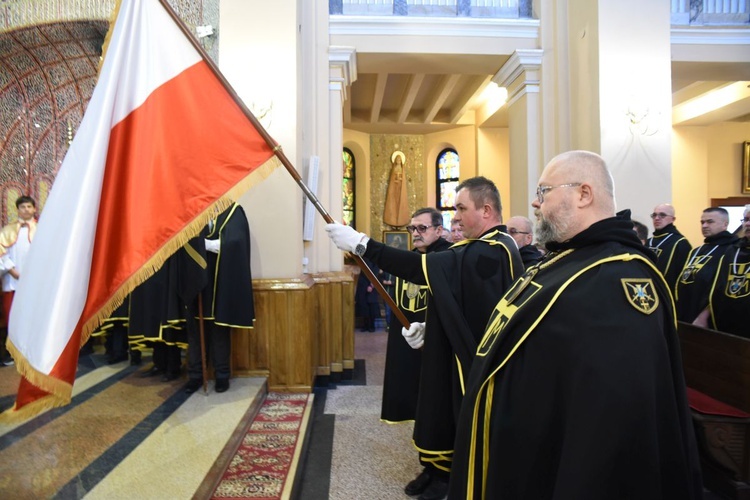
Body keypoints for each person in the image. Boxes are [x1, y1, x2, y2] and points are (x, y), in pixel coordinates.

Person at [449, 151, 702, 499]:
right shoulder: (565, 262)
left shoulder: (619, 277)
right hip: (526, 455)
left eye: (544, 192)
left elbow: (612, 425)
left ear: (584, 194)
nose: (536, 204)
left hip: (556, 468)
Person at [326, 176, 523, 500]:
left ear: (486, 210)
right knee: (440, 410)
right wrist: (434, 328)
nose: (455, 217)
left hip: (479, 367)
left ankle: (451, 479)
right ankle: (439, 472)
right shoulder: (486, 249)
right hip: (463, 355)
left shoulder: (492, 251)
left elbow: (420, 268)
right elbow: (469, 307)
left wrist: (363, 244)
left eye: (461, 208)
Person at [381, 207, 451, 424]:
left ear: (439, 230)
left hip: (434, 340)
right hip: (406, 335)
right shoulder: (408, 260)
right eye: (413, 228)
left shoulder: (448, 258)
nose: (416, 233)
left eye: (422, 227)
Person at [185, 203, 255, 394]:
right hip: (196, 282)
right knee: (195, 333)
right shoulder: (194, 210)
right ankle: (195, 375)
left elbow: (237, 240)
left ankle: (222, 375)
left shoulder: (233, 211)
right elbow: (184, 240)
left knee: (219, 332)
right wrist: (199, 244)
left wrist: (217, 244)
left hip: (220, 282)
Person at [675, 207, 738, 323]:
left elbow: (720, 287)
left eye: (710, 222)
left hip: (708, 317)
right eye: (702, 222)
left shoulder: (733, 250)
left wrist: (704, 315)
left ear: (725, 224)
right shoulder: (697, 251)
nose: (704, 226)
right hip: (686, 312)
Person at [696, 204, 750, 337]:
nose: (748, 224)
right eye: (746, 219)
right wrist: (704, 316)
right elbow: (717, 287)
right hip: (727, 327)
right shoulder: (733, 250)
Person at [0, 195, 37, 366]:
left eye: (29, 207)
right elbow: (1, 253)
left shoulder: (41, 230)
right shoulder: (7, 230)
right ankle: (12, 353)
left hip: (34, 282)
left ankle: (31, 352)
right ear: (18, 210)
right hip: (12, 282)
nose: (26, 210)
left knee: (32, 316)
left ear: (34, 209)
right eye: (22, 207)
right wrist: (12, 270)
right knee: (12, 316)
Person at [648, 203, 691, 292]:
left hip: (668, 292)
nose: (657, 218)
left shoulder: (680, 243)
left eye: (662, 215)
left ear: (673, 219)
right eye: (654, 215)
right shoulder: (649, 241)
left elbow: (682, 276)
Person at [354, 258, 381, 332]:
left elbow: (376, 273)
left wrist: (371, 285)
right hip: (363, 285)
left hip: (372, 285)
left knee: (372, 308)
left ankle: (372, 326)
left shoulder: (375, 261)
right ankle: (365, 325)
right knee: (364, 307)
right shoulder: (364, 259)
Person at [384, 150, 410, 227]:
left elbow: (403, 179)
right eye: (397, 159)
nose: (398, 161)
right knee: (393, 202)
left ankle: (401, 219)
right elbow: (392, 180)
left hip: (400, 188)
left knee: (400, 201)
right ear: (395, 160)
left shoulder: (402, 169)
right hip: (394, 188)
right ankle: (393, 218)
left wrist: (400, 179)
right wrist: (395, 179)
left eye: (399, 159)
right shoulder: (393, 169)